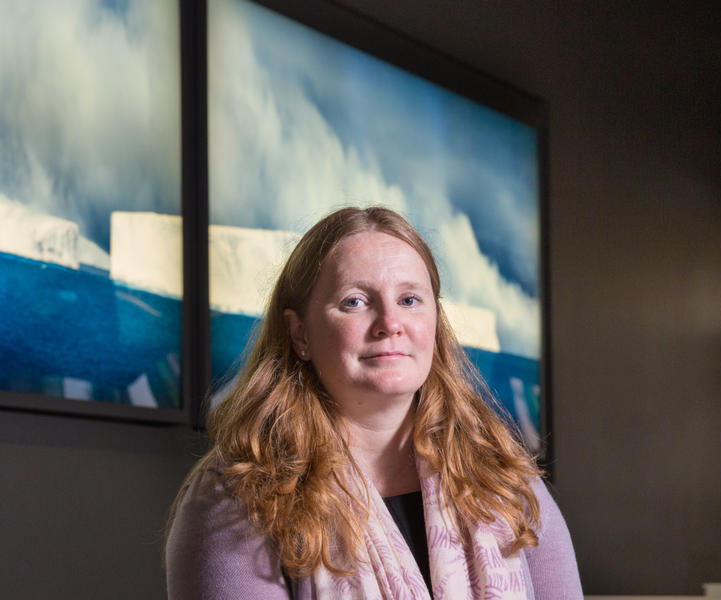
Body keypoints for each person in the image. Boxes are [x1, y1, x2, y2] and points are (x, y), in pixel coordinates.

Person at [165, 207, 581, 599]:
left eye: (409, 300)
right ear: (300, 334)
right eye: (355, 302)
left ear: (435, 323)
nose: (390, 324)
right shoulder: (240, 494)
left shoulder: (505, 481)